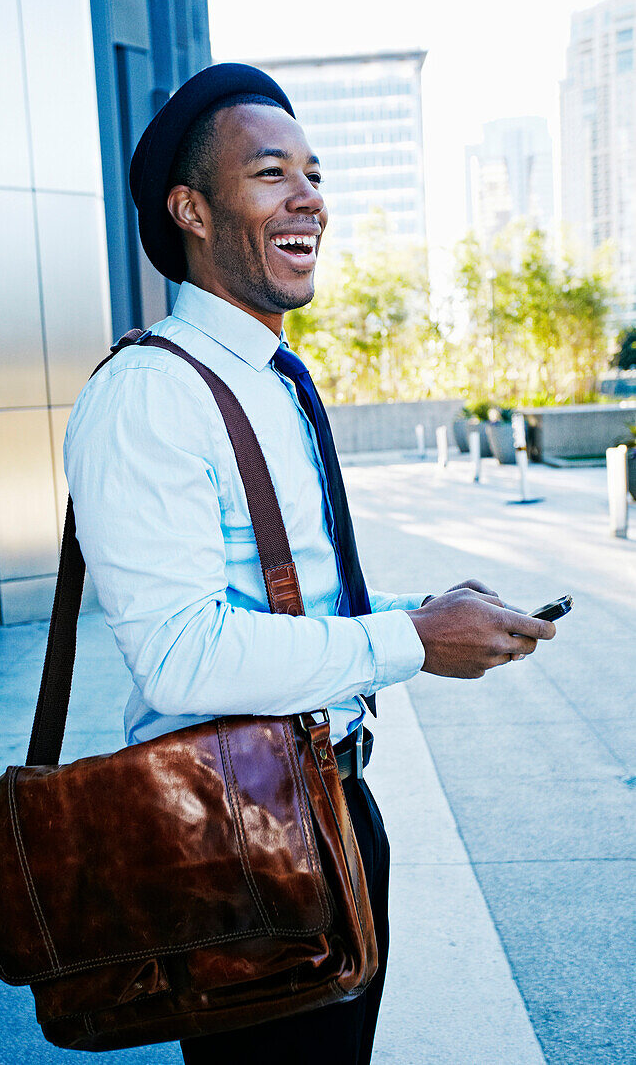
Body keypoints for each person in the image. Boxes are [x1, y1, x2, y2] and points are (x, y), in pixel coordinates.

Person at [63, 63, 555, 1065]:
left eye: (315, 173)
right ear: (191, 209)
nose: (310, 199)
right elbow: (181, 655)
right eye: (271, 173)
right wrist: (411, 640)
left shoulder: (272, 378)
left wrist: (428, 607)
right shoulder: (150, 396)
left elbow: (285, 599)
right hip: (241, 840)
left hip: (332, 807)